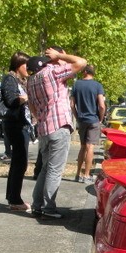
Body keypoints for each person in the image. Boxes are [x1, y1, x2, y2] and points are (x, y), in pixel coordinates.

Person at [27, 47, 87, 219]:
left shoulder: (31, 80)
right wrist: (59, 56)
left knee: (45, 169)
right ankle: (49, 208)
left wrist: (41, 116)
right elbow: (81, 62)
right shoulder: (53, 72)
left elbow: (32, 106)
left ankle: (37, 206)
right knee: (54, 170)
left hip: (44, 128)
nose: (65, 61)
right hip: (59, 126)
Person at [0, 51, 32, 211]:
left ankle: (13, 198)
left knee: (19, 162)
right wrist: (27, 97)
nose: (29, 68)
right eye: (27, 65)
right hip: (15, 124)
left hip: (20, 124)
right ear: (19, 65)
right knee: (20, 162)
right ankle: (15, 199)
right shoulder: (10, 78)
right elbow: (11, 100)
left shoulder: (20, 80)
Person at [71, 64, 105, 184]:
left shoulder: (76, 85)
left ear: (85, 71)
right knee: (90, 147)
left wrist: (77, 117)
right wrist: (100, 119)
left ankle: (77, 174)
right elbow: (101, 105)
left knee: (83, 147)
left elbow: (72, 105)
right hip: (93, 120)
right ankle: (86, 175)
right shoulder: (97, 86)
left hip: (82, 120)